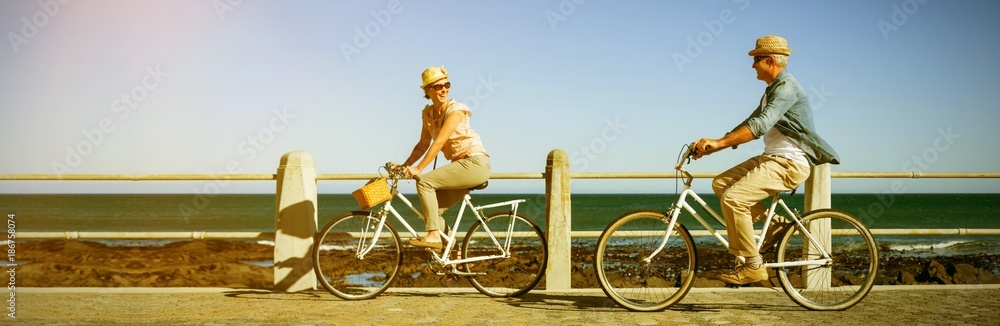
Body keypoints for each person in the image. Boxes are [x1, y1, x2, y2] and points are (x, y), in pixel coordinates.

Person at [691, 35, 840, 285]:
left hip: (788, 163)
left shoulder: (786, 87)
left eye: (756, 60)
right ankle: (775, 226)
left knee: (734, 199)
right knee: (720, 184)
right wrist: (713, 145)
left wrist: (718, 144)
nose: (752, 66)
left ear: (770, 60)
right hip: (771, 158)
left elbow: (760, 126)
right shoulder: (771, 90)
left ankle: (752, 265)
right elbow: (748, 124)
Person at [401, 66, 491, 250]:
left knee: (424, 183)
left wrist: (418, 169)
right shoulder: (427, 114)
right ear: (427, 90)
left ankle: (434, 236)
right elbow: (423, 144)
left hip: (475, 162)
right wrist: (405, 166)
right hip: (461, 166)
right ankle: (456, 254)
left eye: (446, 85)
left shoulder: (456, 109)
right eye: (437, 86)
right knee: (430, 212)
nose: (443, 89)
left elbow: (439, 141)